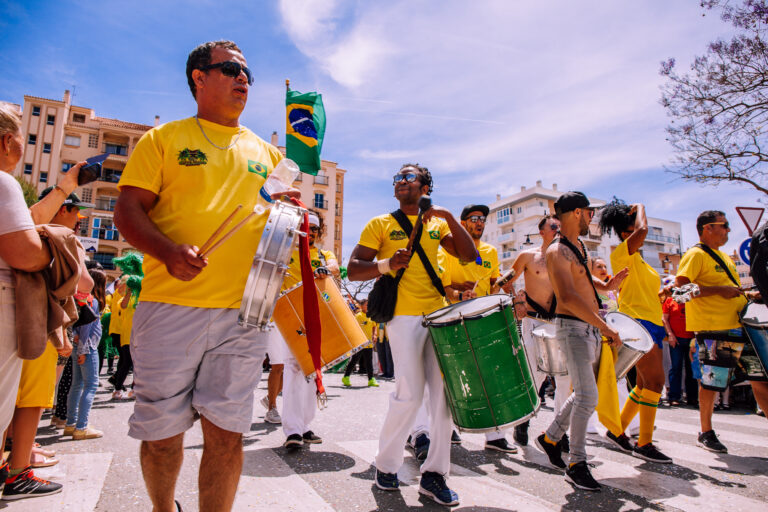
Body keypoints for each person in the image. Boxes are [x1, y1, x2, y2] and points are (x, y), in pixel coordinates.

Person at [114, 40, 298, 512]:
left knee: (227, 437)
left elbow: (273, 221)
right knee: (160, 437)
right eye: (232, 69)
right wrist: (167, 250)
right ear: (199, 76)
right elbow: (128, 209)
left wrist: (290, 218)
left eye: (248, 74)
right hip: (168, 307)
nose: (244, 80)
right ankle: (162, 508)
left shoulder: (267, 153)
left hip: (244, 315)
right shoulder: (164, 139)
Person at [348, 163, 477, 506]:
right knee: (409, 393)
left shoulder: (437, 224)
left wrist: (449, 216)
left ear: (424, 187)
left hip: (438, 314)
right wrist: (387, 264)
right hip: (402, 317)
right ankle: (387, 464)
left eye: (408, 177)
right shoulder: (380, 223)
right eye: (397, 178)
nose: (401, 182)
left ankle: (435, 475)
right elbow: (353, 268)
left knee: (444, 396)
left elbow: (469, 254)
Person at [4, 183, 93, 501]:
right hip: (40, 325)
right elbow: (85, 283)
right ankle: (19, 472)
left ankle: (8, 461)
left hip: (13, 321)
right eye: (77, 214)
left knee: (8, 400)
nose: (79, 220)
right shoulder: (60, 237)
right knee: (31, 403)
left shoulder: (22, 225)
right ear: (64, 210)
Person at [534, 191, 624, 492]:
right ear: (574, 213)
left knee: (586, 392)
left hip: (587, 328)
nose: (591, 217)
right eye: (588, 212)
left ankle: (550, 437)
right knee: (588, 397)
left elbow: (583, 278)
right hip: (572, 327)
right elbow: (569, 297)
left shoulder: (579, 246)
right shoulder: (557, 251)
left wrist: (607, 285)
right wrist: (606, 328)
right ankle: (576, 463)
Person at [0, 102, 61, 499]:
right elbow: (22, 253)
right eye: (23, 137)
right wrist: (52, 253)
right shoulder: (3, 183)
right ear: (8, 142)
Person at [675, 210, 768, 453]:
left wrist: (749, 295)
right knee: (713, 382)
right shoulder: (695, 254)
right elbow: (681, 290)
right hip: (715, 328)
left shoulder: (724, 257)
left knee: (760, 377)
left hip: (742, 327)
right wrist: (718, 290)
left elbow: (728, 290)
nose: (728, 229)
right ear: (708, 228)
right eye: (724, 225)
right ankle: (705, 432)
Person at [598, 201, 672, 464]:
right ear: (626, 232)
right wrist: (641, 206)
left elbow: (644, 291)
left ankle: (617, 430)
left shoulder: (639, 258)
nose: (640, 233)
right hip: (637, 323)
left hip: (651, 322)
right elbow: (643, 229)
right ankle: (645, 443)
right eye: (634, 230)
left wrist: (665, 294)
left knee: (644, 385)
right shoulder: (621, 253)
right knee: (655, 383)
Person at [441, 204, 515, 453]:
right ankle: (446, 426)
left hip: (483, 318)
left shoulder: (490, 251)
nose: (479, 223)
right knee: (453, 375)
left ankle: (495, 436)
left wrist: (503, 283)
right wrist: (460, 292)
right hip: (453, 317)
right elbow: (443, 286)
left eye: (483, 219)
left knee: (491, 375)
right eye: (474, 219)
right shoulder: (449, 248)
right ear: (462, 223)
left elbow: (493, 283)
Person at [503, 214, 571, 449]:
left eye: (561, 227)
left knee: (565, 378)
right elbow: (505, 280)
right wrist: (517, 301)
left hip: (561, 323)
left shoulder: (568, 257)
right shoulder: (528, 256)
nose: (558, 230)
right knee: (534, 375)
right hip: (534, 321)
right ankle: (523, 421)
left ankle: (559, 431)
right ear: (541, 231)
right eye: (554, 227)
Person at [279, 210, 339, 451]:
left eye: (314, 229)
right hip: (291, 315)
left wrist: (327, 268)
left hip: (318, 316)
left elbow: (334, 266)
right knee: (294, 369)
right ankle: (292, 430)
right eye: (306, 227)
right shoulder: (284, 251)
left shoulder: (324, 254)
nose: (310, 232)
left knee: (313, 371)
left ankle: (304, 426)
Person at [65, 262, 106, 440]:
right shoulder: (93, 301)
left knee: (77, 385)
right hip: (87, 347)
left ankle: (70, 424)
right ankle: (81, 427)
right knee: (91, 385)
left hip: (78, 346)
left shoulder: (80, 298)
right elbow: (87, 329)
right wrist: (83, 350)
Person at [661, 286, 698, 407]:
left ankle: (692, 397)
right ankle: (674, 396)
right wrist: (670, 335)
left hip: (691, 338)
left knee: (691, 368)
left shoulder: (692, 299)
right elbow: (665, 319)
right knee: (675, 367)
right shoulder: (669, 300)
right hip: (676, 339)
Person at [343, 299, 379, 387]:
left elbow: (374, 326)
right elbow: (353, 328)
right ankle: (346, 377)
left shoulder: (371, 316)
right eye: (366, 305)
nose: (368, 306)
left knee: (369, 362)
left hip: (369, 343)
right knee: (354, 360)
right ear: (362, 306)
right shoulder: (358, 316)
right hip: (359, 343)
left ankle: (371, 379)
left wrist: (374, 335)